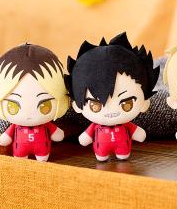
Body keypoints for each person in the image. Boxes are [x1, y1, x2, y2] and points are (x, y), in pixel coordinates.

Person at [65, 32, 159, 161]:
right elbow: (84, 139)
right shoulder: (96, 126)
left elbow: (140, 135)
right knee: (102, 158)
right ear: (76, 105)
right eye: (96, 106)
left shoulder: (127, 125)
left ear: (144, 102)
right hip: (100, 150)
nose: (111, 112)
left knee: (122, 156)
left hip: (123, 148)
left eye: (126, 104)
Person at [0, 43, 69, 161]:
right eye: (13, 106)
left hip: (43, 151)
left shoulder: (50, 123)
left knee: (41, 160)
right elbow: (3, 140)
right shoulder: (9, 126)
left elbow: (58, 135)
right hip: (20, 153)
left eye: (44, 105)